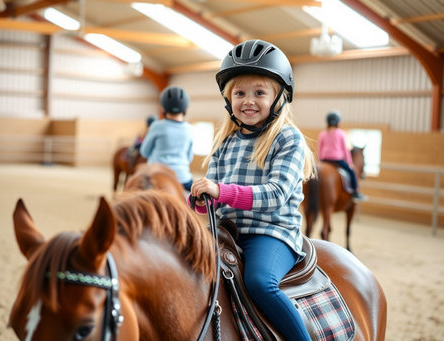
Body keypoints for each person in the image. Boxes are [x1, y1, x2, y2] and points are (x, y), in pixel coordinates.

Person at [189, 39, 315, 341]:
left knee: (260, 282)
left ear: (279, 98)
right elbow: (213, 202)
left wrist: (221, 191)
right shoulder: (225, 142)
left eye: (259, 92)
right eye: (239, 93)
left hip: (270, 233)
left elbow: (276, 195)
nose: (248, 100)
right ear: (228, 99)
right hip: (225, 232)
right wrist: (198, 199)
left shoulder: (288, 139)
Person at [140, 86, 194, 191]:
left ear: (162, 108)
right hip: (182, 178)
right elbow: (189, 158)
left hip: (155, 176)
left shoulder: (156, 126)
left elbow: (144, 152)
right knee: (198, 202)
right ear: (186, 108)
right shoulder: (190, 129)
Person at [318, 111, 365, 201]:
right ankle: (355, 192)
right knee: (352, 172)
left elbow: (319, 148)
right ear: (338, 122)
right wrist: (350, 163)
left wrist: (320, 160)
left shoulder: (322, 133)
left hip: (324, 159)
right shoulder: (341, 133)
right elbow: (345, 150)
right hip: (336, 159)